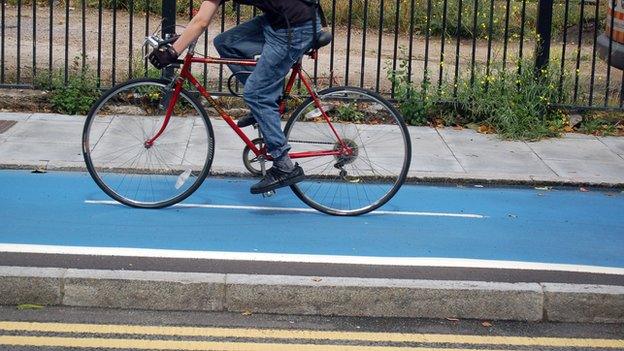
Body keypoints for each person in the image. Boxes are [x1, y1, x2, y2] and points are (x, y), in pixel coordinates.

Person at [149, 0, 323, 195]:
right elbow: (199, 19)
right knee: (225, 43)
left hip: (295, 28)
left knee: (256, 94)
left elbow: (201, 21)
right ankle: (266, 107)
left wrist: (173, 51)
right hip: (282, 21)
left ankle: (284, 166)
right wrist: (182, 39)